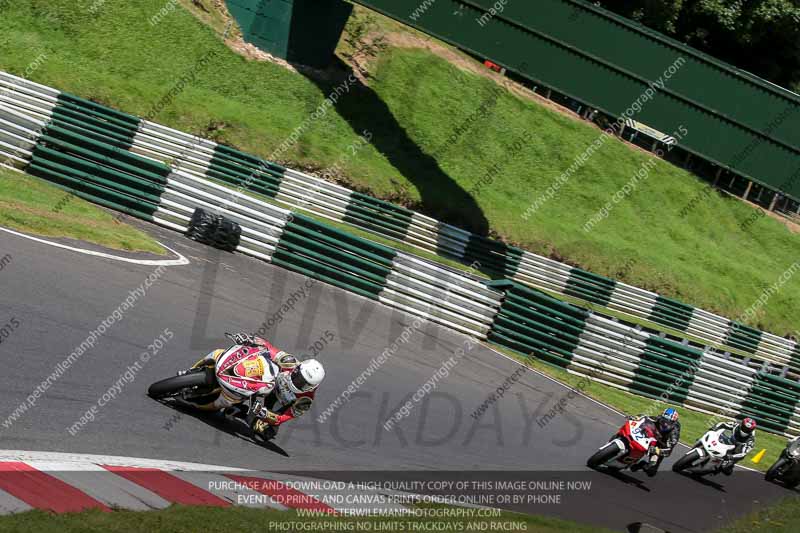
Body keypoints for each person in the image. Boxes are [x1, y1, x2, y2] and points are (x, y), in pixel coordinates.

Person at [187, 332, 324, 439]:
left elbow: (283, 418)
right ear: (297, 369)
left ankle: (241, 411)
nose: (298, 382)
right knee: (223, 353)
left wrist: (266, 414)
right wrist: (249, 339)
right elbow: (268, 348)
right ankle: (192, 371)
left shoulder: (305, 401)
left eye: (304, 384)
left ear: (311, 387)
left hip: (276, 399)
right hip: (270, 378)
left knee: (267, 432)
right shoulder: (290, 362)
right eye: (298, 376)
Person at [630, 408, 681, 477]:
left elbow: (668, 451)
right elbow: (645, 417)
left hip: (659, 447)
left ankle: (642, 464)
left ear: (673, 423)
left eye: (668, 422)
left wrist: (657, 451)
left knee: (651, 471)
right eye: (663, 420)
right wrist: (636, 418)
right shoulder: (657, 418)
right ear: (661, 416)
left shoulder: (674, 432)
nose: (665, 424)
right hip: (649, 438)